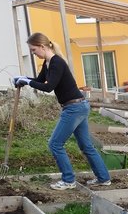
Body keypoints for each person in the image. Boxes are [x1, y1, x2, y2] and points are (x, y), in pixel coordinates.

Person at [13, 32, 111, 190]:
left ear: (42, 47)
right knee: (86, 146)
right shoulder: (47, 63)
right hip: (78, 106)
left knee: (55, 144)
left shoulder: (57, 62)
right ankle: (103, 178)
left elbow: (48, 87)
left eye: (33, 50)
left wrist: (27, 82)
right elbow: (39, 81)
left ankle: (68, 180)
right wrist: (24, 78)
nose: (33, 53)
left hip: (74, 108)